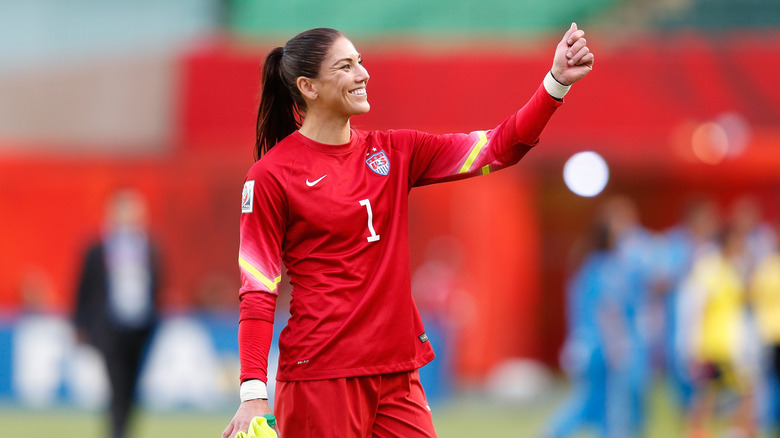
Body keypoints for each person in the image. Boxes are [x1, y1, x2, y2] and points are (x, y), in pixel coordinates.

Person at [222, 24, 594, 438]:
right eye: (345, 66)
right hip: (321, 376)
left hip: (397, 372)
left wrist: (556, 81)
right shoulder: (270, 176)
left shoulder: (395, 151)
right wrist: (253, 392)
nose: (362, 74)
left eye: (360, 62)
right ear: (308, 87)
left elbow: (500, 147)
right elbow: (257, 291)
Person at [74, 189, 162, 438]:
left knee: (133, 384)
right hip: (110, 326)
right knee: (116, 381)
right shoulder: (98, 247)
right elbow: (84, 287)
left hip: (141, 326)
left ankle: (124, 429)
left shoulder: (149, 246)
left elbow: (157, 283)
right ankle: (117, 431)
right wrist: (80, 324)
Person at [545, 217, 630, 438]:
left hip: (583, 341)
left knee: (597, 400)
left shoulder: (585, 265)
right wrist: (617, 345)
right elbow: (608, 311)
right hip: (599, 345)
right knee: (597, 400)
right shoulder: (605, 268)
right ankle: (554, 431)